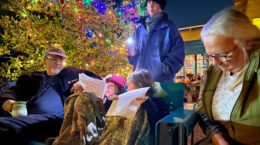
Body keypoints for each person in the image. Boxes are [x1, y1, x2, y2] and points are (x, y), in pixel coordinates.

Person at [0, 46, 100, 144]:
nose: (58, 63)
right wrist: (7, 100)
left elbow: (99, 80)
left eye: (61, 60)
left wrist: (83, 82)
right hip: (30, 117)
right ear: (45, 59)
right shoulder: (32, 78)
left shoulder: (71, 73)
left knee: (4, 125)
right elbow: (14, 91)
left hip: (57, 121)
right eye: (54, 59)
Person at [197, 9, 260, 145]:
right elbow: (202, 112)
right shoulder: (211, 74)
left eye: (224, 55)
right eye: (210, 56)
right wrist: (218, 138)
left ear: (246, 43)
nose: (215, 62)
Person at [126, 0, 185, 83]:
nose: (151, 5)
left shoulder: (169, 27)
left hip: (161, 83)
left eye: (155, 2)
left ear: (161, 6)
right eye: (149, 2)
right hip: (140, 82)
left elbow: (178, 53)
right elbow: (133, 59)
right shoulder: (140, 29)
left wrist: (163, 70)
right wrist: (132, 55)